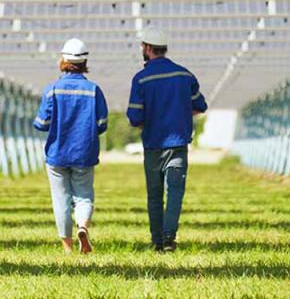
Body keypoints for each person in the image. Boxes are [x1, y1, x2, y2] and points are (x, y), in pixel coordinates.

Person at [126, 27, 207, 252]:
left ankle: (157, 240)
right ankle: (170, 237)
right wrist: (179, 113)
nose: (142, 49)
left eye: (143, 46)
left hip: (153, 145)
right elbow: (200, 106)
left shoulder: (141, 79)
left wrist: (151, 119)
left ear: (149, 48)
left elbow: (134, 117)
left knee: (154, 195)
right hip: (178, 144)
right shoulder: (185, 75)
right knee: (175, 192)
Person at [33, 38, 108, 254]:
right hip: (84, 153)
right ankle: (83, 226)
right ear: (85, 62)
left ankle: (67, 247)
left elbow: (41, 124)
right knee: (84, 195)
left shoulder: (52, 90)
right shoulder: (94, 90)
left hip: (57, 153)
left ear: (63, 59)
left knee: (61, 200)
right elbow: (102, 125)